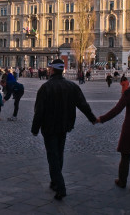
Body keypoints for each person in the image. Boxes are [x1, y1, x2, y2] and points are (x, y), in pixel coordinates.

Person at [31, 59, 97, 200]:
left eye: (50, 69)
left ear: (53, 70)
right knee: (59, 153)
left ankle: (60, 186)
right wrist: (92, 118)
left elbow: (39, 111)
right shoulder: (71, 86)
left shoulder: (46, 88)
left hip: (49, 127)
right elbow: (83, 104)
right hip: (64, 125)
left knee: (52, 156)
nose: (48, 71)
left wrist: (35, 128)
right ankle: (55, 181)